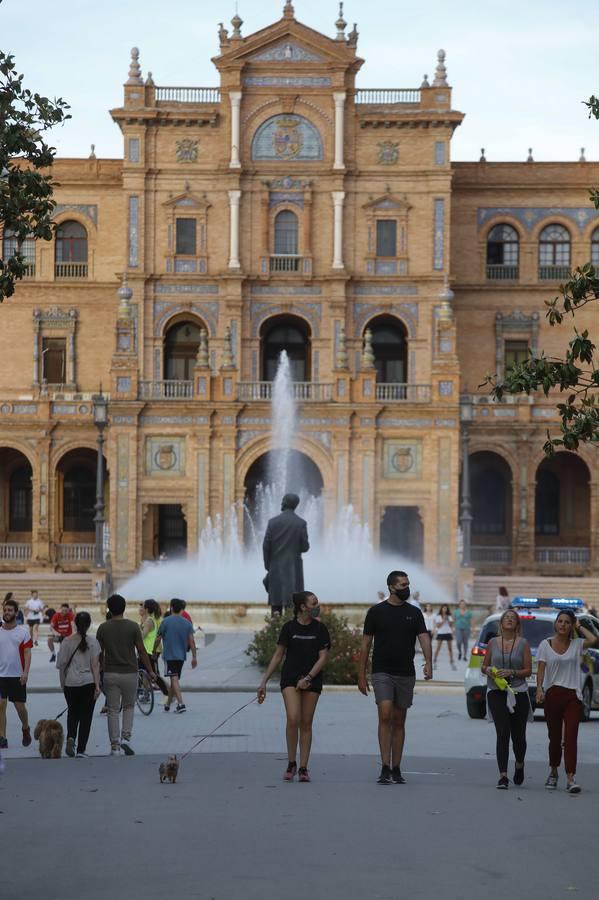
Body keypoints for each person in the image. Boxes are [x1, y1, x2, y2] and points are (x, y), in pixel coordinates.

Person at [358, 570, 432, 785]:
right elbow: (365, 644)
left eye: (407, 584)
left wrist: (428, 662)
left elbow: (424, 638)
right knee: (385, 714)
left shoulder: (414, 613)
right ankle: (384, 766)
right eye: (402, 585)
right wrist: (361, 675)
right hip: (382, 670)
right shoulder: (376, 612)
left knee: (399, 720)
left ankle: (396, 767)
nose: (406, 588)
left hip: (405, 672)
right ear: (391, 587)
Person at [258, 591, 329, 783]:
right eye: (314, 602)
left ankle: (304, 767)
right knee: (293, 718)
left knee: (306, 723)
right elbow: (278, 655)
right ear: (303, 607)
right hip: (290, 678)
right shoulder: (289, 628)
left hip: (312, 679)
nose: (317, 605)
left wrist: (308, 677)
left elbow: (323, 657)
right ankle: (291, 762)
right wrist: (264, 681)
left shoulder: (320, 628)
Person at [536, 609, 598, 794]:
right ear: (556, 624)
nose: (563, 625)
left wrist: (580, 625)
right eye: (560, 621)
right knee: (554, 739)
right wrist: (539, 688)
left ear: (571, 626)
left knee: (570, 738)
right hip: (553, 695)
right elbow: (541, 669)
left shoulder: (577, 644)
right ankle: (554, 771)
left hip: (572, 697)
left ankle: (571, 778)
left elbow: (594, 639)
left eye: (567, 622)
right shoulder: (545, 645)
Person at [96, 594, 155, 756]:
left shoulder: (103, 628)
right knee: (129, 706)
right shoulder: (133, 626)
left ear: (109, 608)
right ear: (124, 608)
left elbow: (99, 653)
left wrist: (100, 669)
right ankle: (126, 739)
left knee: (113, 709)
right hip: (130, 672)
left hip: (110, 672)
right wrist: (150, 671)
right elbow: (142, 651)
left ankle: (114, 745)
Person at [481, 609, 532, 789]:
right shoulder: (493, 642)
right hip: (497, 691)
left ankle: (519, 764)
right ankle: (503, 775)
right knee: (503, 733)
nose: (510, 620)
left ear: (517, 624)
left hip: (518, 692)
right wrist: (490, 671)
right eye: (506, 618)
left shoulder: (523, 643)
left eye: (513, 619)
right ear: (501, 623)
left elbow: (528, 670)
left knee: (519, 737)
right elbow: (484, 666)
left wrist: (512, 672)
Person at [56, 612, 101, 758]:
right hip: (89, 682)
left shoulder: (67, 641)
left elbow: (62, 666)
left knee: (72, 713)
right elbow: (95, 665)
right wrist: (97, 686)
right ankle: (81, 750)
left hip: (71, 683)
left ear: (74, 624)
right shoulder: (93, 642)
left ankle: (71, 737)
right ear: (88, 625)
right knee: (86, 717)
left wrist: (63, 685)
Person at [262, 493, 310, 616]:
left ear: (285, 503)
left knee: (276, 608)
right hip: (294, 571)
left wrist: (269, 567)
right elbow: (305, 547)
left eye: (282, 500)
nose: (281, 502)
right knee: (292, 608)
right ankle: (291, 633)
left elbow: (266, 546)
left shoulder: (272, 522)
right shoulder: (301, 523)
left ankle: (274, 633)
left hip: (276, 569)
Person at [153, 598, 197, 713]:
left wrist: (153, 650)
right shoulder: (187, 623)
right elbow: (192, 641)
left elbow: (158, 638)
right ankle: (168, 704)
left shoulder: (166, 621)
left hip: (170, 655)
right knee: (175, 678)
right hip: (181, 656)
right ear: (182, 609)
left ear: (171, 607)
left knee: (174, 678)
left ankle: (181, 704)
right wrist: (194, 657)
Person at [0, 597, 32, 749]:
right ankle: (2, 737)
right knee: (1, 705)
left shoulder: (23, 632)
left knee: (20, 707)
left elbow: (27, 653)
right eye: (5, 610)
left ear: (16, 613)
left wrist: (25, 673)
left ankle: (25, 727)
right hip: (1, 676)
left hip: (17, 675)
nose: (6, 612)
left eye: (10, 610)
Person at [433, 604, 456, 670]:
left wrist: (449, 620)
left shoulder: (449, 616)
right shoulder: (438, 616)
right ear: (441, 609)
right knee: (438, 648)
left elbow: (451, 625)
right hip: (441, 633)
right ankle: (434, 659)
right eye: (443, 608)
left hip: (448, 632)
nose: (444, 610)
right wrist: (443, 620)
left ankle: (451, 660)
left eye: (446, 608)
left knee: (450, 648)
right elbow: (438, 626)